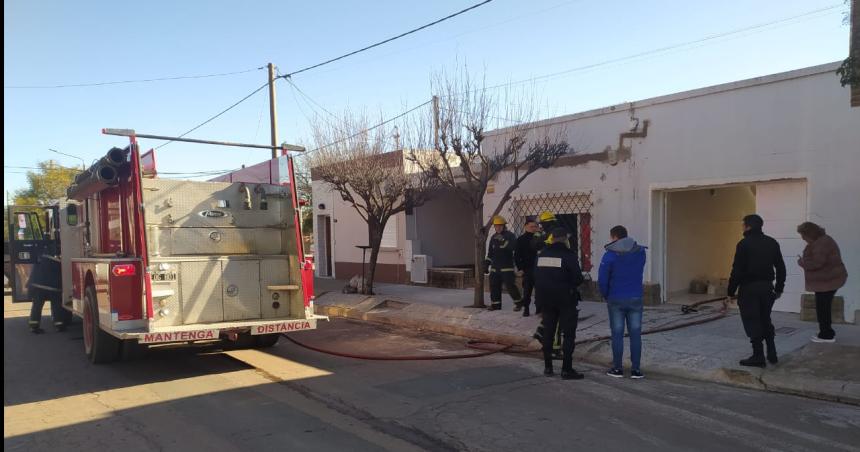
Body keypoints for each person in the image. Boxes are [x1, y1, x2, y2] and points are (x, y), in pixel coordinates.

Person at [727, 214, 786, 367]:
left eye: (743, 225)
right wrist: (779, 288)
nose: (742, 228)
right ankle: (772, 353)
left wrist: (730, 292)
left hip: (749, 289)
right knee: (765, 319)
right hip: (767, 288)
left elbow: (737, 271)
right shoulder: (772, 243)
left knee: (752, 321)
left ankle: (758, 356)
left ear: (748, 226)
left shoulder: (744, 244)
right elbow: (780, 267)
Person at [534, 227, 584, 379]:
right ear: (565, 239)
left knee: (548, 332)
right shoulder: (569, 255)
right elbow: (578, 278)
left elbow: (535, 275)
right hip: (565, 300)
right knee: (568, 334)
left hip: (546, 300)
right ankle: (566, 369)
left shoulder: (542, 254)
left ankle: (548, 368)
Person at [598, 225, 647, 379]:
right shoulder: (640, 252)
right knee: (635, 334)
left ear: (614, 237)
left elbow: (602, 280)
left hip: (616, 299)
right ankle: (636, 370)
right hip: (636, 298)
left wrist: (606, 295)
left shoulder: (609, 255)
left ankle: (617, 369)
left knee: (617, 334)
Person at [796, 222, 848, 343]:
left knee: (822, 308)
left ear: (810, 233)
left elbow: (817, 263)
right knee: (823, 307)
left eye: (803, 235)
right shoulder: (822, 240)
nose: (802, 238)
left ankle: (826, 335)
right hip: (829, 280)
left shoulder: (821, 244)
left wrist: (802, 262)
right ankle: (826, 332)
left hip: (828, 281)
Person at [485, 215, 522, 311]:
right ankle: (495, 305)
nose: (497, 227)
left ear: (504, 226)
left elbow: (512, 247)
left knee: (510, 286)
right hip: (494, 268)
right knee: (494, 287)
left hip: (506, 268)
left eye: (500, 226)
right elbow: (490, 253)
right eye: (496, 226)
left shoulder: (510, 235)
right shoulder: (493, 237)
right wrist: (486, 264)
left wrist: (503, 240)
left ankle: (519, 303)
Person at [28, 254, 66, 334]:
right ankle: (59, 326)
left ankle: (34, 327)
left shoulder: (40, 256)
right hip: (53, 287)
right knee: (56, 305)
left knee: (37, 306)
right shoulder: (57, 259)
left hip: (38, 285)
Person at [514, 216, 539, 317]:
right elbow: (516, 255)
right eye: (531, 226)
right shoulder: (521, 239)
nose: (533, 228)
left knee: (540, 291)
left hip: (539, 269)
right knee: (527, 290)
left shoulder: (539, 238)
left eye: (535, 226)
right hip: (527, 269)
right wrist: (521, 268)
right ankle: (526, 309)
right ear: (525, 227)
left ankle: (539, 309)